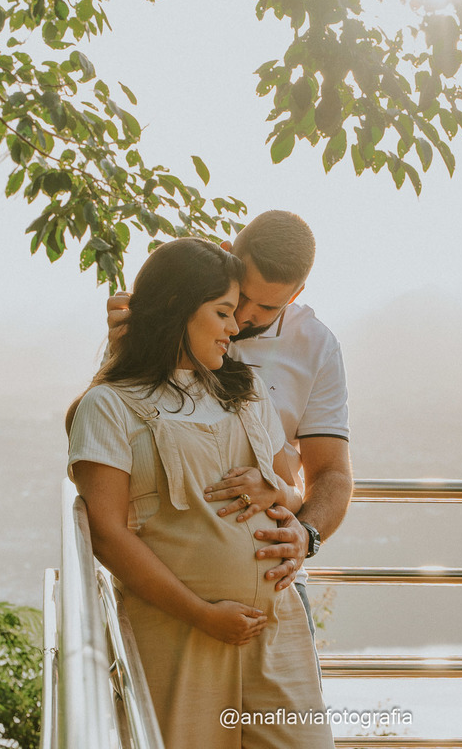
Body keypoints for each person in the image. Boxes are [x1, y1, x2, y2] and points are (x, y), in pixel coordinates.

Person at [68, 237, 334, 748]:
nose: (236, 328)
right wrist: (202, 614)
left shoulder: (245, 391)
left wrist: (279, 494)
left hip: (276, 632)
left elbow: (294, 495)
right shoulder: (109, 407)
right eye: (223, 312)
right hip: (179, 634)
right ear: (176, 307)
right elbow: (105, 532)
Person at [106, 210, 353, 632]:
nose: (244, 318)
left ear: (296, 294)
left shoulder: (317, 348)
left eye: (268, 307)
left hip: (279, 583)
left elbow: (331, 473)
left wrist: (305, 535)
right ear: (227, 255)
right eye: (240, 300)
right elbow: (111, 416)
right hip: (166, 590)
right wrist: (123, 347)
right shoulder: (173, 313)